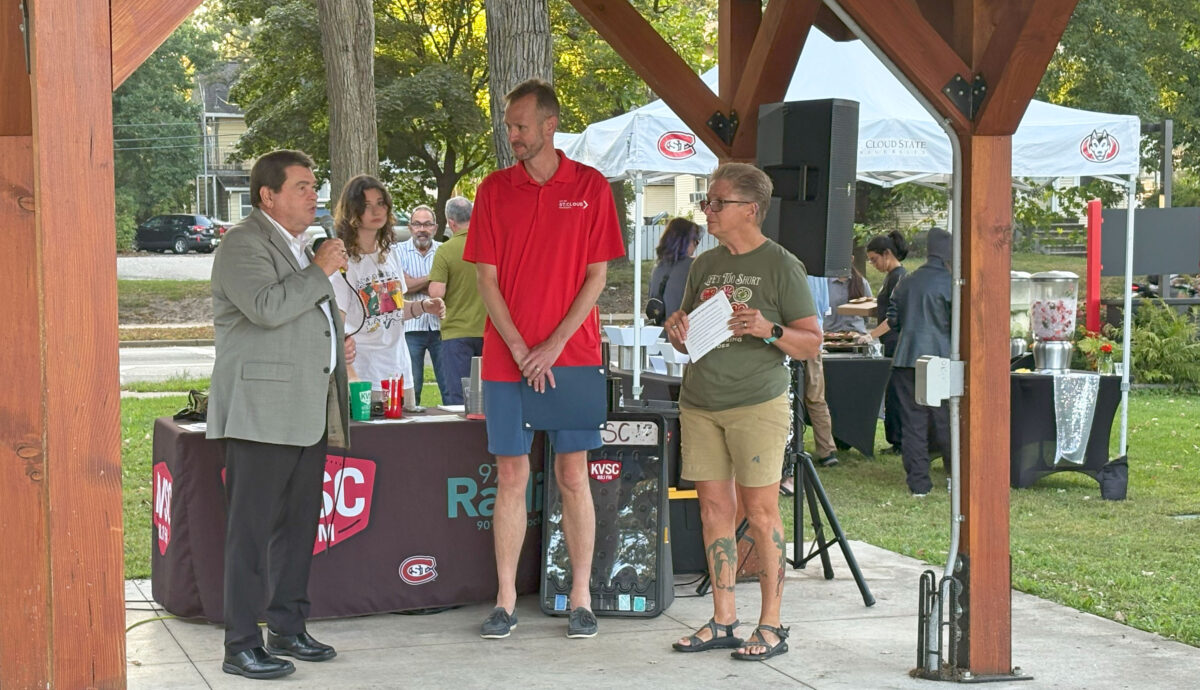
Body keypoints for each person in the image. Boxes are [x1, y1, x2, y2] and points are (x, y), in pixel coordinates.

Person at [465, 79, 626, 640]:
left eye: (521, 126)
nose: (512, 135)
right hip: (508, 358)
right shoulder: (493, 189)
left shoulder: (590, 186)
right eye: (509, 126)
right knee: (511, 474)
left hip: (573, 355)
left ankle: (581, 596)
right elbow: (485, 277)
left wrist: (554, 344)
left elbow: (597, 275)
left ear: (550, 124)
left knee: (572, 474)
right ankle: (505, 600)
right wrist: (517, 348)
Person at [664, 162, 821, 662]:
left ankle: (771, 624)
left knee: (760, 511)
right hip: (700, 401)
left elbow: (811, 342)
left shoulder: (782, 265)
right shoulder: (704, 265)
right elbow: (689, 333)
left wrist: (769, 330)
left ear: (750, 210)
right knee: (713, 510)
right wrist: (677, 327)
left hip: (756, 404)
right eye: (706, 202)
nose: (707, 210)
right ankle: (724, 619)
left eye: (717, 203)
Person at [207, 150, 352, 680]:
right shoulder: (243, 243)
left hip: (305, 410)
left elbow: (302, 316)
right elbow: (267, 308)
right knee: (250, 531)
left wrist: (334, 343)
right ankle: (241, 642)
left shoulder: (296, 246)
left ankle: (287, 626)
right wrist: (318, 270)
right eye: (302, 186)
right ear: (267, 195)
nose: (314, 194)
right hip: (260, 413)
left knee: (295, 528)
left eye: (315, 185)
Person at [332, 176, 445, 407]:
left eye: (381, 202)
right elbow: (337, 327)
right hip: (365, 380)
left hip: (400, 375)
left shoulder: (390, 253)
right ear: (352, 210)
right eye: (366, 205)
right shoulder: (342, 262)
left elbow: (393, 309)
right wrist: (352, 377)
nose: (376, 210)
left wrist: (423, 307)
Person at [887, 227, 952, 497]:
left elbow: (893, 319)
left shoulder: (907, 280)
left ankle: (919, 484)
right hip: (940, 358)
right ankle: (954, 478)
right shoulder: (952, 283)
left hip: (906, 358)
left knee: (912, 422)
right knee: (945, 420)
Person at [429, 195, 486, 405]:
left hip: (456, 333)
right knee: (490, 396)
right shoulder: (491, 245)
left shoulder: (445, 250)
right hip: (490, 330)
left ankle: (459, 438)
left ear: (451, 222)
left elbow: (436, 293)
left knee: (458, 397)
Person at [396, 205, 446, 406]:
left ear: (435, 227)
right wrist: (435, 279)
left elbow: (447, 290)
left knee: (448, 385)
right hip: (410, 329)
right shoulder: (396, 252)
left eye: (427, 224)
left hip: (441, 327)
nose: (422, 229)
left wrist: (415, 283)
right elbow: (402, 287)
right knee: (412, 386)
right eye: (417, 224)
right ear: (410, 227)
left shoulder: (444, 250)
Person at [867, 231, 910, 455]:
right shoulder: (890, 277)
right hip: (889, 342)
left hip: (897, 341)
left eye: (875, 260)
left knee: (896, 393)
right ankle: (895, 440)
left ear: (887, 254)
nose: (873, 265)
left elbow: (894, 318)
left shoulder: (899, 277)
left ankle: (900, 441)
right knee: (891, 392)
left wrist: (870, 335)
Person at [648, 217, 702, 318]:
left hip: (658, 330)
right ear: (685, 241)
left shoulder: (658, 267)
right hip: (682, 330)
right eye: (696, 241)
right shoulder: (694, 265)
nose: (696, 246)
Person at [824, 264, 873, 335]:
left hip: (856, 335)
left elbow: (868, 312)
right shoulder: (825, 283)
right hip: (830, 335)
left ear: (851, 258)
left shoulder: (861, 282)